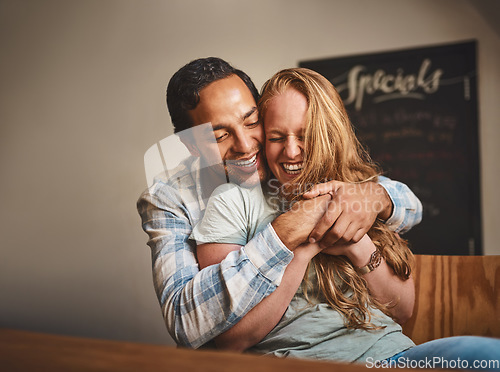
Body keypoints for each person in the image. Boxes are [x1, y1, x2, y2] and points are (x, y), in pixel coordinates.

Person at [190, 67, 500, 368]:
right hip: (303, 363)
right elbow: (230, 339)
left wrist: (356, 242)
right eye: (276, 137)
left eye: (305, 135)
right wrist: (307, 242)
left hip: (394, 356)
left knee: (489, 356)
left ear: (329, 135)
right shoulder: (233, 202)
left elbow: (403, 310)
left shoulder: (356, 193)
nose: (291, 151)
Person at [136, 57, 423, 349]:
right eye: (220, 136)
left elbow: (408, 207)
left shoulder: (284, 167)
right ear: (192, 145)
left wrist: (376, 198)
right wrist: (289, 234)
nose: (246, 146)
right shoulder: (170, 198)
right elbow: (187, 323)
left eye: (251, 122)